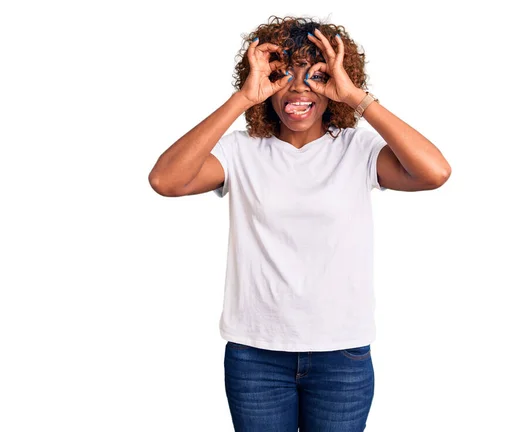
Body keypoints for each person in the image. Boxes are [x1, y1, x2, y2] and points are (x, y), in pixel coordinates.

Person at [148, 15, 451, 432]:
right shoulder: (241, 151)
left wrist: (356, 96)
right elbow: (166, 180)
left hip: (340, 354)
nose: (298, 87)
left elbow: (434, 172)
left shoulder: (357, 149)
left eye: (315, 75)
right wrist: (242, 99)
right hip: (256, 354)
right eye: (284, 75)